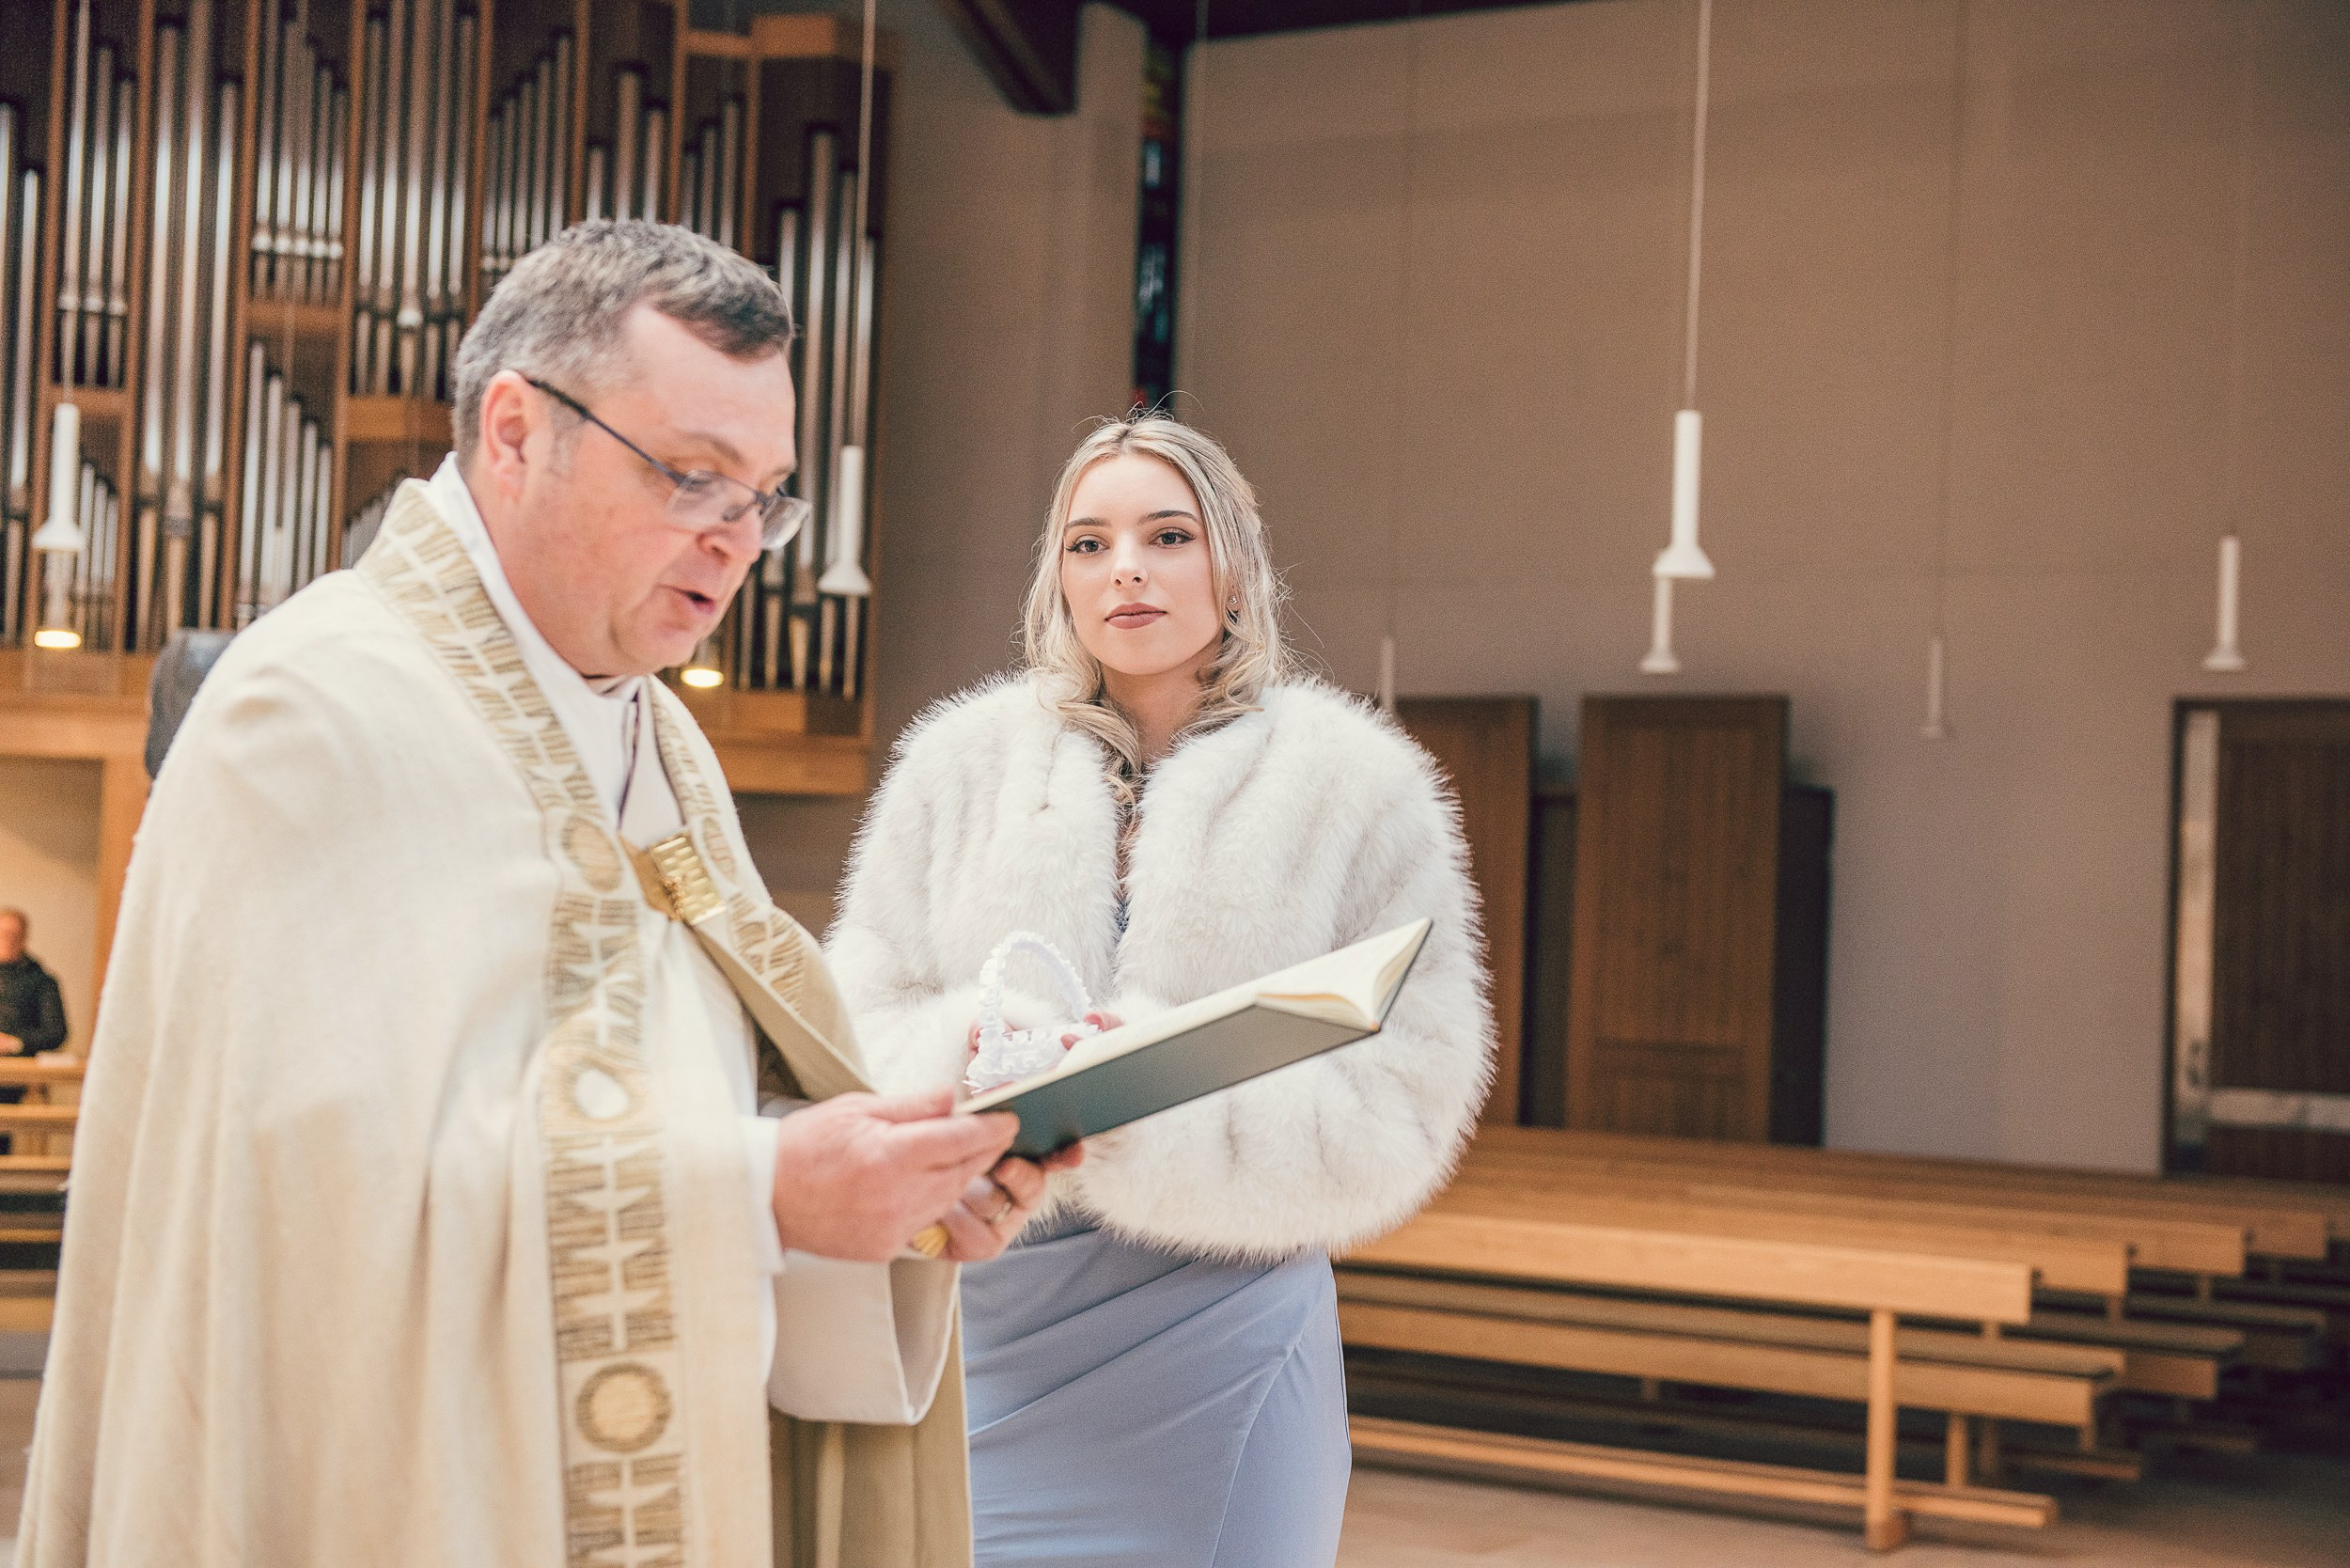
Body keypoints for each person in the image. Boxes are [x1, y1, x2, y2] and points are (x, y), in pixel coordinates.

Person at [19, 223, 1075, 1568]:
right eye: (695, 478)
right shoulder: (313, 707)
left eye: (768, 497)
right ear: (514, 432)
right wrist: (762, 1193)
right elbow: (314, 1223)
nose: (743, 543)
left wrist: (883, 1190)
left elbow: (674, 1087)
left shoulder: (656, 736)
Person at [826, 412, 1494, 1566]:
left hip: (1222, 1317)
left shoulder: (1357, 788)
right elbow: (853, 1024)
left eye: (1166, 534)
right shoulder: (956, 768)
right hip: (986, 1308)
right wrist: (986, 1054)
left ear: (1232, 568)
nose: (1125, 566)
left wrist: (1152, 1106)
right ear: (1058, 581)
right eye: (1088, 544)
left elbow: (1408, 1095)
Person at [0, 909, 68, 1058]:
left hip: (22, 1070)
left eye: (14, 935)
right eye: (3, 934)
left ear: (24, 938)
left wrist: (13, 1043)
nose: (7, 940)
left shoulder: (42, 981)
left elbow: (56, 1032)